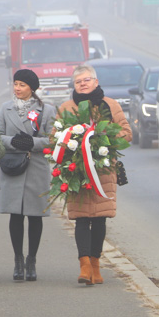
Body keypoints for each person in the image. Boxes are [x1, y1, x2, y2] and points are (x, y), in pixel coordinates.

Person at [56, 64, 132, 285]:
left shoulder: (111, 105)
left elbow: (126, 133)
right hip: (77, 170)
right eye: (78, 81)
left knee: (99, 218)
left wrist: (104, 140)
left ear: (96, 82)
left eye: (86, 80)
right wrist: (71, 146)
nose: (83, 84)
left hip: (104, 170)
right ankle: (84, 265)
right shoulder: (67, 108)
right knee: (80, 217)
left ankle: (96, 265)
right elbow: (56, 137)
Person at [0, 69, 56, 281]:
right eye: (15, 84)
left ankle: (32, 260)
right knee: (16, 215)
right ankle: (18, 260)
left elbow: (52, 139)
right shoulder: (5, 108)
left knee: (35, 215)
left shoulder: (46, 110)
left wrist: (32, 142)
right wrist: (13, 142)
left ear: (32, 87)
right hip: (13, 165)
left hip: (36, 167)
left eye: (22, 84)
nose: (17, 88)